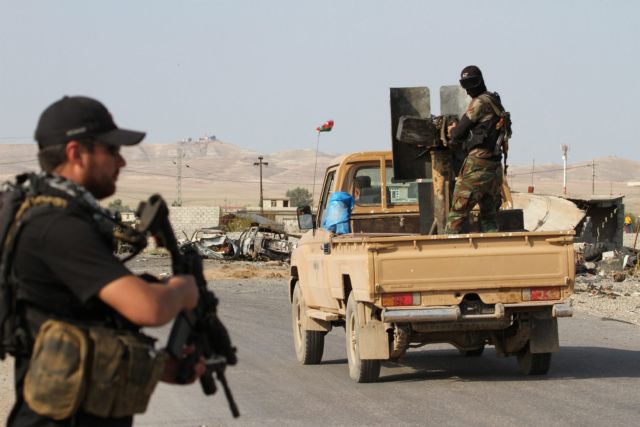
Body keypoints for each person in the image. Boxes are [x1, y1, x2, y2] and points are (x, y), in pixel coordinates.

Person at [5, 96, 204, 427]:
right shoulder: (57, 225)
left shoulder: (64, 216)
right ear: (76, 153)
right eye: (111, 150)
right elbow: (148, 308)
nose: (121, 161)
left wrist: (158, 367)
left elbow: (86, 329)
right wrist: (183, 290)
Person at [444, 65, 510, 233]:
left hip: (477, 167)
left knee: (456, 216)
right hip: (494, 169)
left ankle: (448, 247)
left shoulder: (480, 103)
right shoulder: (495, 101)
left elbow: (459, 133)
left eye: (468, 86)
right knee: (489, 218)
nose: (467, 91)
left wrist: (452, 130)